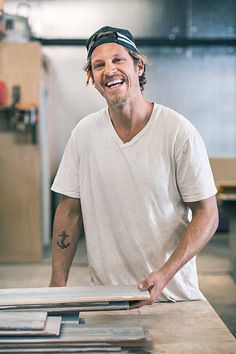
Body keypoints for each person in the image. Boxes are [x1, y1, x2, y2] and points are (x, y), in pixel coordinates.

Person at [50, 25, 219, 308]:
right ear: (92, 78)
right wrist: (56, 286)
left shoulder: (177, 131)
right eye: (99, 65)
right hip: (108, 299)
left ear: (138, 66)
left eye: (118, 60)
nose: (110, 70)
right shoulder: (84, 134)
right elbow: (69, 210)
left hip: (172, 298)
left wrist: (165, 275)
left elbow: (208, 213)